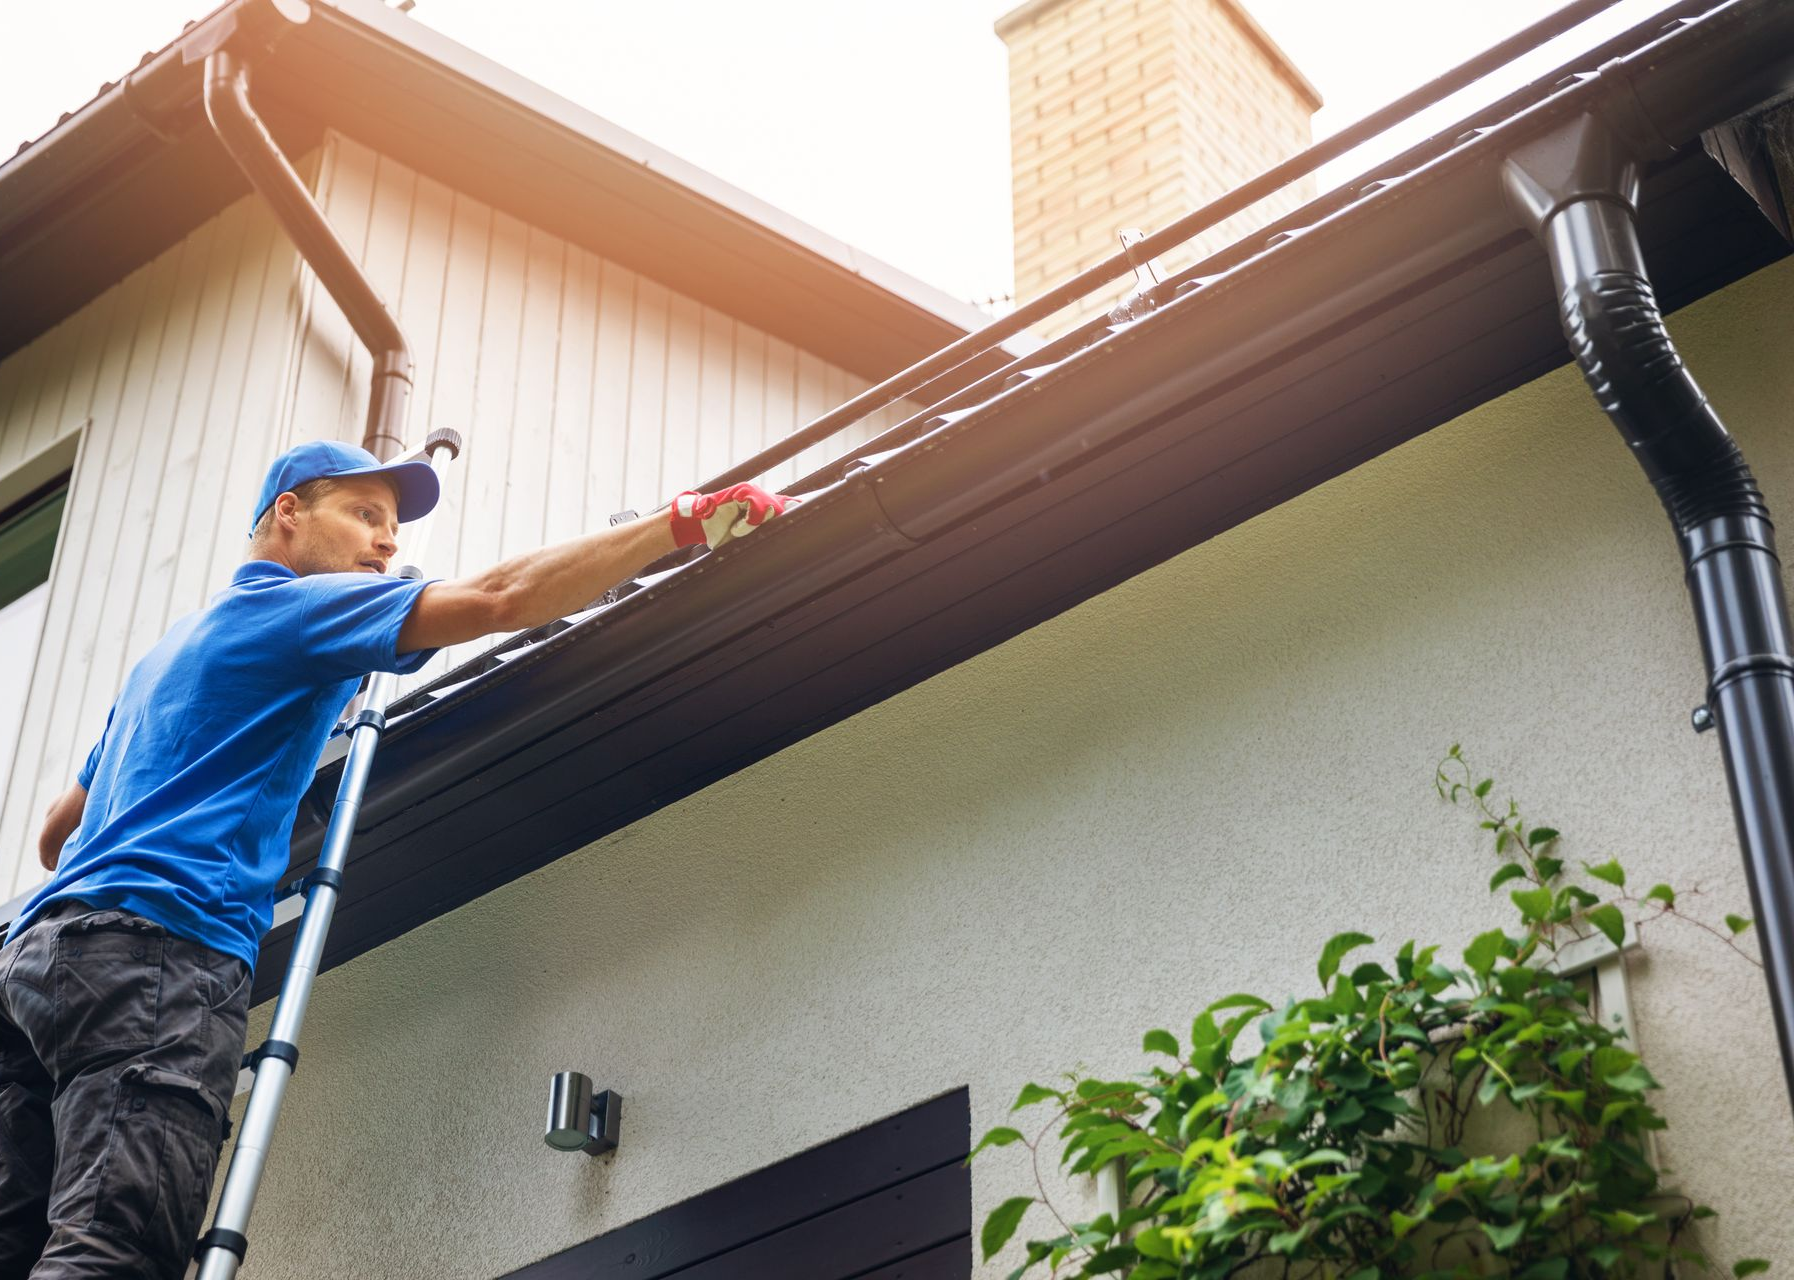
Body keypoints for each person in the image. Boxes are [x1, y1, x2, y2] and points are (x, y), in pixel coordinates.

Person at [0, 439, 794, 1278]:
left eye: (393, 527)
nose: (387, 543)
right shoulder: (298, 610)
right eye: (365, 515)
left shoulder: (166, 656)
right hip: (156, 961)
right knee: (113, 1251)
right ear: (287, 514)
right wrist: (681, 523)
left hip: (36, 967)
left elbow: (58, 835)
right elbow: (499, 596)